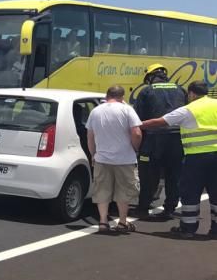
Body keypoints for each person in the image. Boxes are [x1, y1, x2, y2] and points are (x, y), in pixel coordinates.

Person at [140, 80, 217, 239]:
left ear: (191, 94)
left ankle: (188, 229)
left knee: (190, 193)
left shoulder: (189, 109)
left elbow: (160, 122)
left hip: (196, 158)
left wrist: (136, 125)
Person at [132, 63, 186, 219]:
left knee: (148, 175)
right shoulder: (180, 89)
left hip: (153, 139)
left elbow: (137, 119)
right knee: (173, 175)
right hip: (177, 139)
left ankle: (143, 208)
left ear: (150, 77)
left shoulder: (147, 91)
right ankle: (169, 208)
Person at [86, 85, 143, 233]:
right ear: (122, 97)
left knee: (102, 191)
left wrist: (93, 154)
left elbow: (90, 136)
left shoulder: (95, 111)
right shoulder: (127, 110)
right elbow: (137, 133)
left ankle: (103, 222)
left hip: (102, 159)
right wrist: (135, 148)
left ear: (107, 95)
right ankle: (122, 222)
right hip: (125, 159)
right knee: (123, 192)